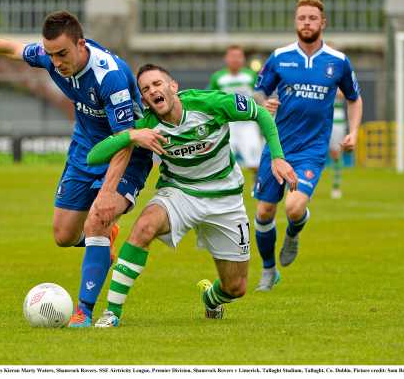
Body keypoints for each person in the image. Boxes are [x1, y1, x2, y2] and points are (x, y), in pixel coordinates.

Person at [0, 11, 152, 327]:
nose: (56, 62)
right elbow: (11, 49)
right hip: (86, 150)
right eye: (50, 54)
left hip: (128, 152)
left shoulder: (111, 76)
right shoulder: (51, 57)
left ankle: (84, 312)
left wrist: (106, 195)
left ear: (80, 44)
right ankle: (102, 239)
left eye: (62, 54)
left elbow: (124, 140)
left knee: (97, 220)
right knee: (64, 236)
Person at [85, 64, 297, 327]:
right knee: (144, 226)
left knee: (236, 287)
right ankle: (112, 313)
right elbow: (93, 156)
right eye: (146, 89)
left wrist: (277, 157)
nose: (153, 91)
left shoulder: (209, 103)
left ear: (173, 87)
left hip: (226, 199)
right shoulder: (148, 126)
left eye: (157, 84)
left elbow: (261, 115)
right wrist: (131, 135)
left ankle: (211, 298)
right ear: (144, 100)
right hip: (179, 192)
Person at [251, 0, 363, 291]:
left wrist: (354, 131)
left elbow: (353, 98)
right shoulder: (279, 57)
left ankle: (293, 234)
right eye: (302, 18)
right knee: (264, 213)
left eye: (313, 18)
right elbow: (258, 93)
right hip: (277, 147)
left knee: (294, 208)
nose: (307, 23)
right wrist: (266, 104)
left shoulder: (337, 61)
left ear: (322, 23)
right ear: (295, 21)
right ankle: (268, 270)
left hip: (312, 150)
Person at [208, 45, 263, 172]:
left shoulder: (250, 76)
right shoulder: (218, 78)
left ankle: (258, 189)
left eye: (238, 56)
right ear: (226, 59)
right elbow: (212, 100)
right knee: (224, 163)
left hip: (248, 124)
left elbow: (259, 96)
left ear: (243, 59)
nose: (235, 60)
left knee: (255, 163)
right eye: (232, 56)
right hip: (228, 125)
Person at [329, 90, 346, 199]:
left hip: (336, 120)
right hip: (319, 117)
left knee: (336, 154)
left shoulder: (340, 73)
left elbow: (342, 93)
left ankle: (336, 186)